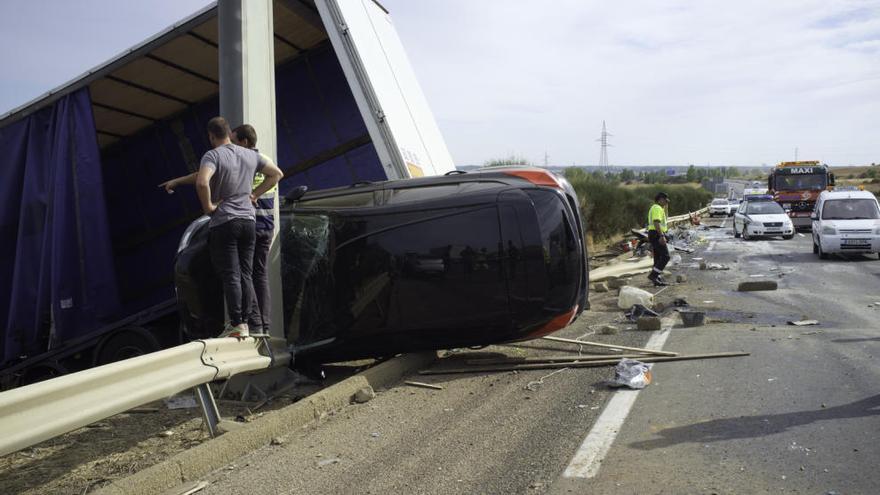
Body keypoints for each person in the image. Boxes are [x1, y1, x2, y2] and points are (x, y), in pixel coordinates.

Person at [196, 117, 283, 337]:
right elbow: (277, 174)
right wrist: (255, 194)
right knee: (247, 273)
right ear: (228, 133)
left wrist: (208, 207)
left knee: (231, 274)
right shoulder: (250, 155)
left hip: (225, 222)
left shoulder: (212, 155)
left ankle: (238, 324)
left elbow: (202, 181)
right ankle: (250, 324)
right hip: (249, 222)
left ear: (211, 136)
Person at [230, 124, 275, 335]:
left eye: (233, 140)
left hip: (251, 227)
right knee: (260, 275)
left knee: (244, 275)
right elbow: (275, 176)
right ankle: (264, 324)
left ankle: (254, 323)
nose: (230, 144)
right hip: (267, 226)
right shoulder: (266, 161)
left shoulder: (244, 164)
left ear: (244, 142)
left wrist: (253, 195)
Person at [647, 192, 670, 286]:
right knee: (665, 256)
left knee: (658, 257)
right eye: (665, 199)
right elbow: (656, 222)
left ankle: (656, 278)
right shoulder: (657, 208)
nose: (666, 202)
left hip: (654, 234)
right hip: (656, 234)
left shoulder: (657, 208)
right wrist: (661, 236)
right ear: (660, 199)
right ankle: (653, 275)